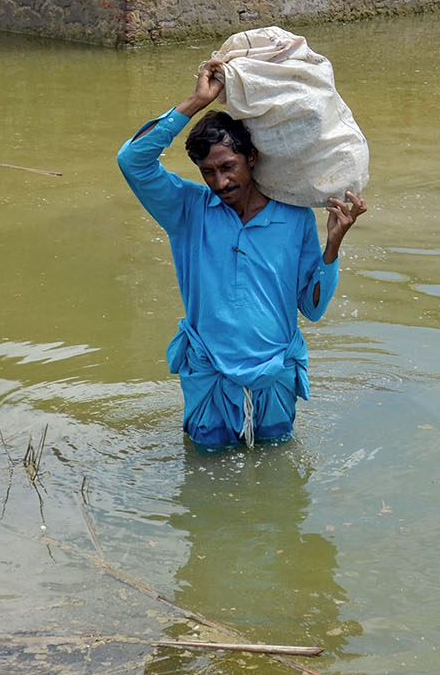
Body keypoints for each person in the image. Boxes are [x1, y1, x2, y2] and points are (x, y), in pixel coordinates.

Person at [118, 60, 367, 449]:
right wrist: (198, 101)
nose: (221, 181)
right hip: (208, 374)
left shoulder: (293, 216)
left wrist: (332, 246)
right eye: (208, 172)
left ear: (251, 157)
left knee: (275, 475)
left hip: (276, 375)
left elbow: (312, 308)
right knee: (205, 470)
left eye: (229, 166)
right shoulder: (188, 210)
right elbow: (132, 160)